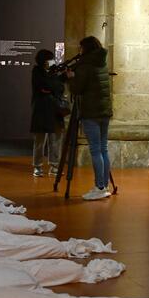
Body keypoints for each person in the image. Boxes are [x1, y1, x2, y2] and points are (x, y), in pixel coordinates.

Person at [67, 36, 113, 201]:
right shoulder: (101, 63)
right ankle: (104, 185)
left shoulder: (85, 66)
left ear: (85, 48)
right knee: (103, 148)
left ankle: (99, 187)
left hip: (91, 113)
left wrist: (71, 78)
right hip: (104, 112)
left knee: (95, 149)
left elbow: (78, 89)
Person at [30, 49, 66, 177]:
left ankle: (54, 165)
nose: (51, 62)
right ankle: (37, 166)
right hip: (41, 110)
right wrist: (52, 86)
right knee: (40, 140)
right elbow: (43, 86)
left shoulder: (54, 72)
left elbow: (59, 88)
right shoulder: (37, 71)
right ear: (42, 61)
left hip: (55, 110)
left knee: (55, 139)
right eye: (48, 59)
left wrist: (51, 87)